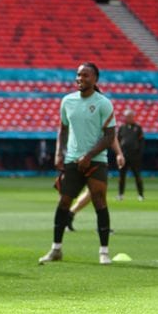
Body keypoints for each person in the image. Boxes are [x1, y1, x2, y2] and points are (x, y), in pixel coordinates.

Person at [39, 62, 116, 265]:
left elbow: (110, 136)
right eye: (78, 75)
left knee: (100, 202)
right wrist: (59, 154)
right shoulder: (67, 101)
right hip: (72, 160)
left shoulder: (103, 103)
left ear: (95, 79)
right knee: (64, 202)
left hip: (96, 162)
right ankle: (56, 249)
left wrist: (89, 155)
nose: (81, 78)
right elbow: (62, 130)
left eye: (86, 75)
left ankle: (104, 252)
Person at [66, 137, 125, 232]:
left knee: (92, 193)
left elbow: (111, 134)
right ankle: (102, 226)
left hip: (93, 157)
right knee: (97, 192)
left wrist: (119, 153)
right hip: (88, 157)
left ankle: (69, 215)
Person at [117, 108, 145, 201]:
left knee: (137, 176)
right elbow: (118, 140)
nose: (128, 118)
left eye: (130, 116)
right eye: (127, 117)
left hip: (134, 156)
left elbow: (141, 142)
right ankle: (120, 194)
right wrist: (119, 154)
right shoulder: (122, 128)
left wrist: (138, 154)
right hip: (123, 156)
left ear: (133, 117)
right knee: (121, 177)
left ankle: (140, 195)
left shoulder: (138, 128)